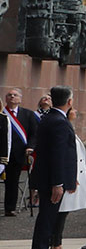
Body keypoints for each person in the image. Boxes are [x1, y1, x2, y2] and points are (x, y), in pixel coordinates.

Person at [28, 86, 78, 249]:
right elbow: (58, 154)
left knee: (47, 217)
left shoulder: (50, 118)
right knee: (47, 218)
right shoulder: (59, 121)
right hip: (52, 180)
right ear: (70, 102)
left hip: (48, 178)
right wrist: (58, 183)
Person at [51, 105, 86, 249]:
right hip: (66, 179)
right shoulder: (62, 126)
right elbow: (64, 156)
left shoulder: (68, 126)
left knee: (63, 213)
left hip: (73, 176)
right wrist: (69, 177)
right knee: (59, 213)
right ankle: (54, 244)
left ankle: (57, 243)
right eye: (73, 109)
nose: (76, 112)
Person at [4, 88, 38, 216]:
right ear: (6, 98)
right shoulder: (2, 113)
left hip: (18, 153)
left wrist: (30, 147)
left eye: (15, 95)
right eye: (9, 95)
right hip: (2, 153)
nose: (12, 97)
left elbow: (34, 134)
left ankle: (10, 208)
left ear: (20, 99)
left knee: (12, 181)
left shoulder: (28, 114)